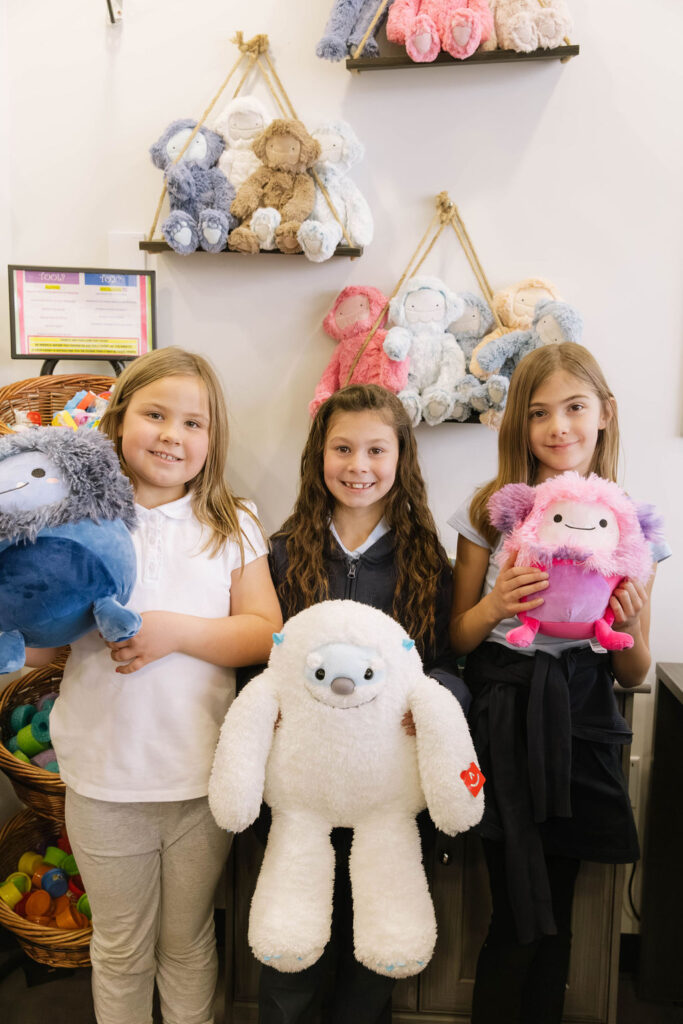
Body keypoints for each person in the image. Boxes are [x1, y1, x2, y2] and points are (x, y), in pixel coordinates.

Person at [26, 347, 282, 1024]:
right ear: (118, 420)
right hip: (105, 780)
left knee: (189, 939)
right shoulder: (74, 523)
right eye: (155, 414)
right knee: (119, 945)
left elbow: (264, 631)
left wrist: (175, 631)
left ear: (213, 439)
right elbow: (43, 643)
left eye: (193, 423)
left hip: (201, 779)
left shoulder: (232, 521)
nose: (172, 434)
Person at [448, 342, 670, 1024]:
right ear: (517, 424)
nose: (557, 427)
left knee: (558, 904)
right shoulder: (491, 510)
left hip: (578, 719)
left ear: (603, 413)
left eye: (574, 408)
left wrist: (626, 622)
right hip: (502, 715)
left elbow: (632, 672)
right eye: (537, 413)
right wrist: (494, 607)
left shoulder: (627, 525)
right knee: (514, 905)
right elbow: (455, 637)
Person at [258, 383, 469, 1024]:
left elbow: (452, 665)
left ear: (401, 458)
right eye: (342, 448)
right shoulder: (282, 553)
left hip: (389, 789)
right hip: (303, 791)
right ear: (317, 456)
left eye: (377, 450)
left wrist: (436, 699)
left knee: (374, 939)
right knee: (292, 941)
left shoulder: (428, 560)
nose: (358, 466)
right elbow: (259, 662)